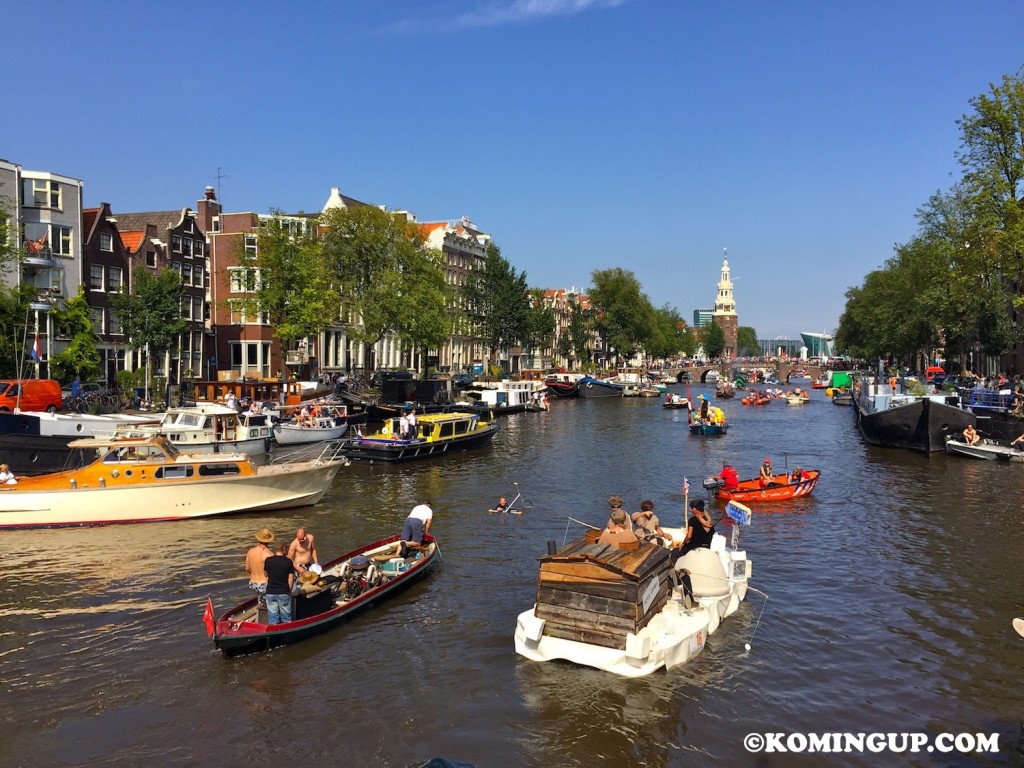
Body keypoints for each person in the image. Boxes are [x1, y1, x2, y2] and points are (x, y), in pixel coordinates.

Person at [263, 542, 295, 625]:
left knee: (273, 619)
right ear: (284, 549)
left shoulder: (268, 560)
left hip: (270, 592)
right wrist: (289, 591)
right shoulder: (288, 562)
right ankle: (286, 634)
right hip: (283, 591)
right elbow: (291, 579)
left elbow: (265, 574)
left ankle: (274, 633)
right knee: (286, 619)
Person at [244, 528, 275, 603]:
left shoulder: (250, 551)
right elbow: (273, 573)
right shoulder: (269, 554)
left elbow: (247, 568)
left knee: (260, 598)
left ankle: (260, 604)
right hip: (264, 584)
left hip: (253, 583)